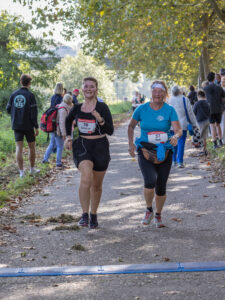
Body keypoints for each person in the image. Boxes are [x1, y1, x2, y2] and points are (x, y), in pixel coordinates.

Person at [128, 80, 182, 228]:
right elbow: (131, 126)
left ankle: (158, 215)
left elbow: (178, 130)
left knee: (161, 186)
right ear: (151, 93)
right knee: (150, 180)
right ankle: (148, 210)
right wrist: (131, 145)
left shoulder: (169, 110)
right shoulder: (141, 109)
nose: (157, 94)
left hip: (164, 150)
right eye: (155, 91)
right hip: (145, 150)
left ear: (165, 94)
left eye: (161, 91)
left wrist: (175, 137)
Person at [65, 77, 114, 229]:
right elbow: (68, 121)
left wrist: (100, 120)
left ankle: (93, 214)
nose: (88, 89)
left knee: (96, 185)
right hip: (82, 145)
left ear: (96, 89)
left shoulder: (102, 107)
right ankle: (84, 214)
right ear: (82, 89)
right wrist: (68, 136)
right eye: (86, 86)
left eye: (91, 86)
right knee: (86, 178)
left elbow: (110, 131)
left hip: (100, 146)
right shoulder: (77, 107)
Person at [6, 74, 39, 178]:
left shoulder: (14, 94)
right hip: (28, 126)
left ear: (21, 81)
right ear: (29, 83)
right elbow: (34, 113)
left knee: (18, 148)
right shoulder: (30, 96)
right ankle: (32, 169)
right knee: (31, 147)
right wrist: (36, 127)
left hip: (16, 125)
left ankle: (21, 173)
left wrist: (17, 113)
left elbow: (8, 109)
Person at [169, 85, 198, 168]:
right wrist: (194, 124)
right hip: (182, 125)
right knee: (181, 143)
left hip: (171, 125)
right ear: (180, 91)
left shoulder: (169, 100)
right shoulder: (184, 99)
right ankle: (180, 162)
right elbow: (190, 112)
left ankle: (173, 161)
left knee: (173, 143)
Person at [42, 94, 73, 167]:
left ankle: (45, 159)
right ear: (69, 100)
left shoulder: (61, 106)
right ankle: (58, 163)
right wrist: (64, 134)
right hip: (58, 130)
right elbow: (62, 122)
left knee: (52, 144)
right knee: (60, 146)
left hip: (54, 129)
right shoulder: (63, 109)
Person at [204, 72, 225, 149]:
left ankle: (215, 144)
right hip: (218, 109)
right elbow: (223, 98)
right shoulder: (219, 87)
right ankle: (220, 141)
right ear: (214, 78)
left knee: (212, 126)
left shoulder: (205, 89)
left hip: (210, 109)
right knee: (218, 125)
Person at [193, 90, 210, 156]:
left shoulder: (197, 103)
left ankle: (203, 150)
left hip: (200, 121)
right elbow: (209, 111)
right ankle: (204, 149)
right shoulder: (207, 102)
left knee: (200, 136)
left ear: (199, 96)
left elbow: (193, 112)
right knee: (204, 136)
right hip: (207, 120)